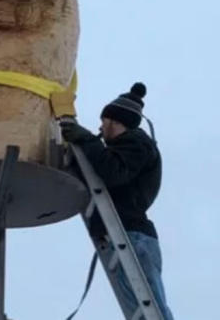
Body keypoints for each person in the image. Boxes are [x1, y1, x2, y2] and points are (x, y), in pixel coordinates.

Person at [60, 82, 174, 319]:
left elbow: (113, 172)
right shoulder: (121, 150)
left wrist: (88, 141)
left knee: (151, 308)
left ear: (114, 121)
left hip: (134, 238)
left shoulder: (137, 143)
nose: (101, 127)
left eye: (104, 121)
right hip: (125, 236)